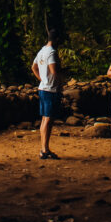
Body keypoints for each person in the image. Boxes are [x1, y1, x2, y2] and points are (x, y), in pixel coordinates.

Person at [31, 32, 61, 160]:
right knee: (48, 119)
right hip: (51, 89)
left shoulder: (42, 51)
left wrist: (41, 79)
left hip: (43, 88)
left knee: (44, 119)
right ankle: (45, 149)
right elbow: (54, 71)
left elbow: (34, 67)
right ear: (57, 39)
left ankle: (44, 148)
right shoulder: (52, 52)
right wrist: (60, 83)